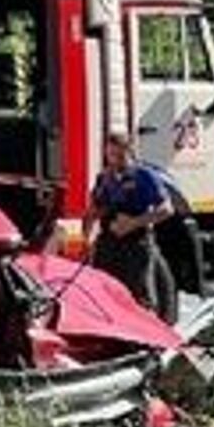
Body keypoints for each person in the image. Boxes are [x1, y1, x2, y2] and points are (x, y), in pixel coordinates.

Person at [84, 131, 174, 311]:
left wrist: (133, 223)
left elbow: (166, 209)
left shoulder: (145, 176)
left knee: (139, 297)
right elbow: (95, 210)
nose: (115, 160)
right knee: (103, 291)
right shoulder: (104, 177)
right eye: (110, 155)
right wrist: (87, 236)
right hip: (109, 243)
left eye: (119, 155)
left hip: (137, 242)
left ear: (130, 151)